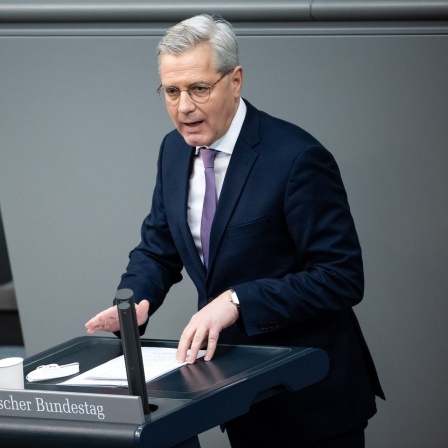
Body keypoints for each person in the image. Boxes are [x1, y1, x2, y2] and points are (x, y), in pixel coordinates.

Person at [85, 14, 384, 447]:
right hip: (238, 392)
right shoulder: (173, 150)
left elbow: (341, 277)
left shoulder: (297, 158)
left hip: (311, 398)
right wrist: (136, 300)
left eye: (199, 88)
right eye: (171, 91)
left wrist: (238, 300)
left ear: (236, 80)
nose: (183, 106)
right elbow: (158, 247)